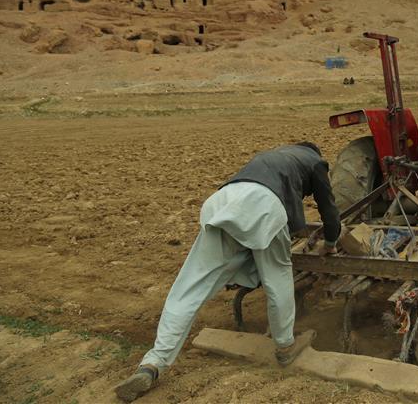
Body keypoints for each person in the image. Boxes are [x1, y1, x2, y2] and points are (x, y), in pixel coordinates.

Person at [114, 142, 341, 402]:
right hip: (265, 207)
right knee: (277, 277)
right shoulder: (315, 162)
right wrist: (331, 244)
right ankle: (285, 345)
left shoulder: (272, 156)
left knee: (189, 288)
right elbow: (329, 212)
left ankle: (153, 364)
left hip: (222, 203)